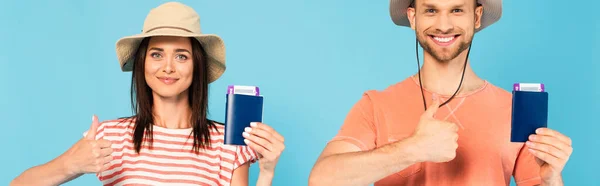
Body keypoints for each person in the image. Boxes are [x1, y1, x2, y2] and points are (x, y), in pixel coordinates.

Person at [10, 2, 285, 186]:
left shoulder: (228, 145)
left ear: (196, 66)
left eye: (181, 55)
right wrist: (71, 164)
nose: (167, 67)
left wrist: (267, 172)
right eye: (156, 54)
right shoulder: (109, 137)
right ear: (142, 63)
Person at [309, 0, 573, 185]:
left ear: (476, 17)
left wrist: (552, 180)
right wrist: (410, 150)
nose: (444, 25)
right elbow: (321, 180)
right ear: (414, 17)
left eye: (457, 9)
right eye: (431, 10)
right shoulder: (376, 105)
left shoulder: (514, 109)